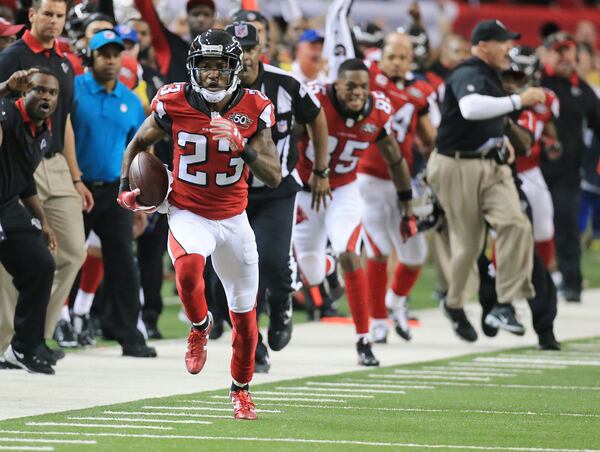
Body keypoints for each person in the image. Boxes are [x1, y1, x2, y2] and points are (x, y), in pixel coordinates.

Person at [118, 29, 281, 420]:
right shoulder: (174, 101)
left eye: (220, 67)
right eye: (205, 67)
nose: (211, 76)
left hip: (233, 218)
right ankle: (200, 324)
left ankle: (240, 391)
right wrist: (126, 187)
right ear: (194, 69)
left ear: (235, 70)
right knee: (188, 271)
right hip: (188, 210)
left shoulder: (254, 107)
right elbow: (139, 144)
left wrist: (242, 145)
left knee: (245, 322)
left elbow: (274, 175)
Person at [200, 22, 327, 372]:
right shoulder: (216, 88)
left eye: (250, 47)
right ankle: (253, 350)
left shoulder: (285, 85)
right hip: (227, 192)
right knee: (229, 277)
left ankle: (282, 298)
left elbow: (317, 119)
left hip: (275, 188)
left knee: (270, 261)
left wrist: (321, 169)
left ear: (260, 50)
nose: (245, 54)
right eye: (238, 49)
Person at [426, 19, 545, 342]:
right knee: (469, 244)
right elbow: (470, 108)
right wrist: (520, 100)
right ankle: (454, 304)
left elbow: (489, 116)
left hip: (489, 163)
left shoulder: (490, 74)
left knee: (516, 224)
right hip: (455, 164)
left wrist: (498, 137)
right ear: (482, 45)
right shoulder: (469, 71)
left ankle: (504, 304)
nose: (509, 47)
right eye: (502, 41)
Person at [294, 58, 414, 367]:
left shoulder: (378, 110)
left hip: (343, 190)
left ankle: (364, 339)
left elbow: (394, 157)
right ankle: (327, 264)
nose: (357, 92)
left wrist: (406, 201)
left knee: (351, 252)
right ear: (336, 84)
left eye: (363, 86)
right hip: (305, 192)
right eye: (350, 85)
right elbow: (288, 137)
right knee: (312, 274)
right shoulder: (316, 98)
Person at [0, 0, 92, 353]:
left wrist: (76, 176)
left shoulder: (66, 65)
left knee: (72, 253)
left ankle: (34, 334)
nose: (54, 21)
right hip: (18, 162)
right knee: (16, 259)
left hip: (54, 160)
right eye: (48, 14)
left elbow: (64, 120)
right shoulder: (12, 56)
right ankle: (8, 340)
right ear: (32, 16)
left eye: (59, 16)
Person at [71, 29, 155, 357]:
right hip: (75, 188)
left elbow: (139, 153)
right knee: (64, 261)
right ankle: (41, 330)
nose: (110, 60)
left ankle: (129, 336)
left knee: (124, 265)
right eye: (103, 54)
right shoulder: (74, 89)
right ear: (90, 56)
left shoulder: (131, 101)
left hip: (115, 192)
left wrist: (141, 201)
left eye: (115, 54)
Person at [359, 32, 436, 343]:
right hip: (369, 176)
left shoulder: (420, 92)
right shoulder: (369, 79)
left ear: (411, 61)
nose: (396, 62)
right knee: (377, 248)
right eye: (391, 56)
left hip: (404, 179)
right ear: (381, 57)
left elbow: (429, 139)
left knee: (416, 252)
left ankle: (395, 301)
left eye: (403, 58)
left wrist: (432, 173)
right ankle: (377, 319)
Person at [0, 68, 59, 374]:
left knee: (40, 265)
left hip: (8, 206)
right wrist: (4, 87)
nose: (46, 96)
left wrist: (43, 221)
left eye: (52, 92)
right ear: (24, 93)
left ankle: (24, 347)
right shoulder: (7, 112)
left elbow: (24, 181)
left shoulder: (44, 131)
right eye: (39, 90)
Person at [540, 31, 600, 302]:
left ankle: (572, 282)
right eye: (558, 50)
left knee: (567, 224)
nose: (565, 56)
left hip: (568, 170)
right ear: (547, 54)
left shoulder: (581, 88)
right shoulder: (536, 82)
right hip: (534, 169)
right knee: (530, 226)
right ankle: (529, 281)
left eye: (568, 50)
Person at [133, 0, 215, 83]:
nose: (200, 19)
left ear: (213, 19)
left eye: (206, 14)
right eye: (195, 14)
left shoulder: (223, 51)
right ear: (187, 18)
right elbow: (147, 11)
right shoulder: (171, 44)